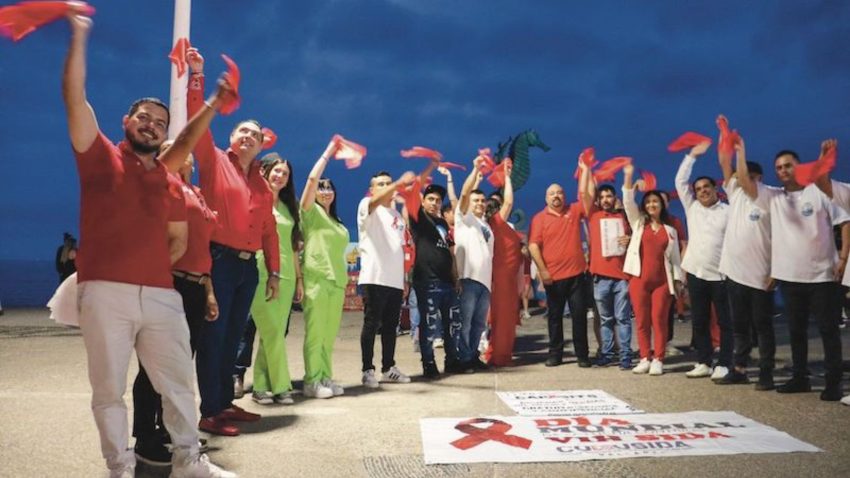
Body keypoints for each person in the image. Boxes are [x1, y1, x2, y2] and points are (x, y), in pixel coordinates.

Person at [61, 10, 234, 477]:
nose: (152, 125)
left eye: (160, 122)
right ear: (126, 121)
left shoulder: (164, 174)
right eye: (144, 117)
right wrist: (78, 36)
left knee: (177, 384)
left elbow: (188, 139)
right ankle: (120, 468)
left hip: (161, 294)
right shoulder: (98, 155)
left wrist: (212, 102)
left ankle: (188, 461)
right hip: (106, 292)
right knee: (109, 390)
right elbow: (74, 96)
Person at [187, 47, 280, 435]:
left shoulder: (262, 184)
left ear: (261, 145)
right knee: (213, 335)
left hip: (248, 269)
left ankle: (225, 402)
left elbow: (269, 231)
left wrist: (274, 272)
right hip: (218, 262)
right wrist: (198, 77)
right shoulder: (213, 160)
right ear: (232, 136)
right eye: (243, 131)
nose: (249, 137)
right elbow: (195, 120)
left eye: (255, 135)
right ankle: (210, 411)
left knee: (233, 337)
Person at [132, 140, 219, 466]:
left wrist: (208, 291)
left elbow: (202, 248)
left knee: (179, 366)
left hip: (196, 284)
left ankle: (169, 428)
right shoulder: (163, 189)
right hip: (170, 282)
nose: (182, 153)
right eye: (170, 148)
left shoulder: (196, 193)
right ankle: (145, 436)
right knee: (152, 364)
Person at [767, 141, 848, 401]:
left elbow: (845, 221)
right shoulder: (775, 198)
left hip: (822, 276)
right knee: (796, 330)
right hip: (790, 277)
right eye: (779, 167)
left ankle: (833, 382)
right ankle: (800, 377)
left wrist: (843, 257)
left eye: (788, 165)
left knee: (828, 330)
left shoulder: (819, 191)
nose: (783, 170)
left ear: (799, 166)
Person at [716, 136, 777, 389]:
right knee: (739, 326)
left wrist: (776, 271)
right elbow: (725, 164)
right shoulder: (736, 193)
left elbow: (781, 239)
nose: (744, 180)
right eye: (742, 177)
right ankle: (739, 369)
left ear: (759, 178)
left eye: (750, 177)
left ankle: (766, 372)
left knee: (762, 326)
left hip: (760, 275)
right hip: (734, 274)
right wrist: (724, 137)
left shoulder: (770, 197)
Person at [248, 153, 304, 405]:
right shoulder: (253, 199)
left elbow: (293, 247)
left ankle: (260, 386)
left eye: (285, 174)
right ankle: (281, 386)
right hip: (261, 271)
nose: (280, 176)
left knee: (275, 333)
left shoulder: (289, 207)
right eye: (277, 171)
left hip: (288, 275)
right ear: (266, 171)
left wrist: (299, 279)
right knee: (271, 330)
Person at [675, 141, 734, 381]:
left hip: (721, 275)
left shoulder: (728, 211)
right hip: (696, 273)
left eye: (706, 187)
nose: (702, 191)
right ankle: (704, 361)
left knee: (725, 322)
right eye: (698, 189)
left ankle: (725, 363)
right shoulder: (692, 208)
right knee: (699, 321)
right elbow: (680, 181)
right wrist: (691, 156)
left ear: (714, 188)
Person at [402, 168, 467, 378]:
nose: (435, 203)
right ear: (423, 201)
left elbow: (450, 253)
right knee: (429, 325)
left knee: (452, 324)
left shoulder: (443, 223)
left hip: (448, 283)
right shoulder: (418, 218)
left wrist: (456, 278)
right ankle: (428, 363)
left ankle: (452, 360)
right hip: (427, 282)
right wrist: (428, 169)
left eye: (438, 200)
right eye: (431, 199)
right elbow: (411, 194)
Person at [356, 169, 418, 388]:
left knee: (391, 327)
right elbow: (375, 201)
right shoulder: (367, 206)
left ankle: (388, 368)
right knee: (371, 324)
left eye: (388, 183)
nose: (386, 187)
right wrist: (398, 182)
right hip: (374, 277)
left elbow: (401, 249)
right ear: (372, 189)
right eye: (380, 184)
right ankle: (367, 370)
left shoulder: (397, 217)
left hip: (394, 280)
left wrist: (404, 278)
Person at [299, 142, 352, 398]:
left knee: (328, 336)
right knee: (315, 333)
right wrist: (328, 153)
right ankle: (311, 381)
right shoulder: (311, 213)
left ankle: (325, 377)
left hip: (337, 282)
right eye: (322, 188)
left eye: (329, 187)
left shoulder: (337, 222)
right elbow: (311, 180)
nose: (326, 191)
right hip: (317, 279)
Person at [621, 164, 684, 376]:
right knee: (642, 321)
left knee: (659, 320)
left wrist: (679, 281)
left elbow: (675, 259)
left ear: (662, 205)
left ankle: (658, 359)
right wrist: (629, 176)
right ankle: (644, 358)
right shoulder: (638, 224)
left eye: (655, 201)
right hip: (639, 280)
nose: (651, 204)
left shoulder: (670, 230)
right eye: (647, 202)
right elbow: (628, 202)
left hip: (662, 283)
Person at [528, 181, 591, 368]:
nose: (556, 196)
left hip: (577, 275)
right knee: (555, 318)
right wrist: (543, 270)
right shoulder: (539, 218)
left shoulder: (574, 210)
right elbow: (533, 246)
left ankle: (582, 355)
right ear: (546, 198)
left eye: (559, 192)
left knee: (579, 316)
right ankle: (555, 354)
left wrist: (586, 170)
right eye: (552, 193)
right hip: (553, 278)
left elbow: (587, 196)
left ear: (564, 196)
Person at [578, 161, 633, 370]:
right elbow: (585, 194)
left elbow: (637, 240)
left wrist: (629, 239)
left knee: (623, 319)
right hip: (600, 277)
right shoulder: (593, 215)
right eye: (601, 197)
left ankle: (626, 356)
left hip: (621, 278)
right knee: (605, 320)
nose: (605, 200)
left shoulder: (624, 217)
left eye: (609, 196)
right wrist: (586, 170)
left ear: (614, 198)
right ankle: (607, 354)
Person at [483, 160, 524, 366]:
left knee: (502, 318)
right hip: (502, 278)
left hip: (503, 277)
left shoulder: (490, 226)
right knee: (503, 318)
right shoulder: (496, 223)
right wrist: (507, 177)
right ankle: (499, 355)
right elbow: (508, 202)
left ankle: (500, 353)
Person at [455, 161, 496, 369]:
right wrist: (476, 170)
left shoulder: (486, 225)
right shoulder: (464, 218)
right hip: (468, 279)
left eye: (482, 200)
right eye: (476, 200)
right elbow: (464, 193)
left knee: (479, 324)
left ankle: (472, 356)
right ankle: (463, 359)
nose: (480, 203)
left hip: (485, 282)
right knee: (465, 322)